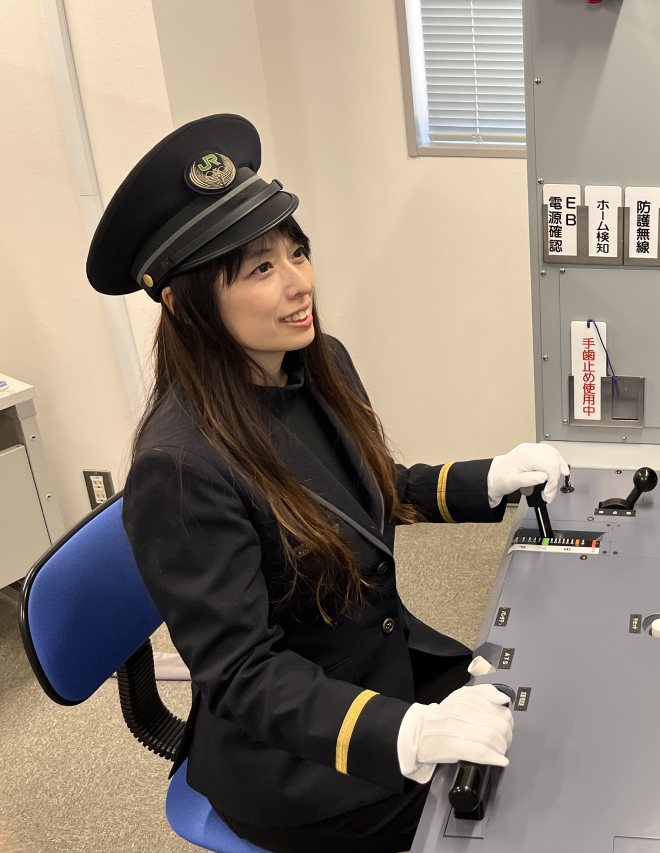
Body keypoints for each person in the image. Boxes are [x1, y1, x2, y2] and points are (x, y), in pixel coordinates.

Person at [85, 114, 569, 852]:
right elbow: (243, 675)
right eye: (260, 269)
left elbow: (369, 492)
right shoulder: (180, 466)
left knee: (548, 722)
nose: (299, 283)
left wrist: (491, 479)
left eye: (297, 252)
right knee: (516, 817)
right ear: (183, 304)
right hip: (298, 755)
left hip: (375, 670)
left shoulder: (318, 362)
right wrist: (406, 732)